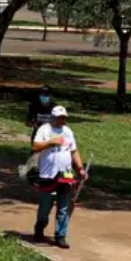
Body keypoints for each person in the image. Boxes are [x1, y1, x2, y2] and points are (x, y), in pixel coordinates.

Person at [32, 105, 88, 249]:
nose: (62, 120)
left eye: (64, 118)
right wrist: (51, 142)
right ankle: (39, 229)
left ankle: (60, 236)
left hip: (66, 177)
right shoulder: (44, 130)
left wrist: (80, 169)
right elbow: (35, 147)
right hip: (47, 176)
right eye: (59, 117)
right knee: (45, 208)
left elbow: (74, 151)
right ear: (53, 117)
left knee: (64, 208)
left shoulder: (68, 132)